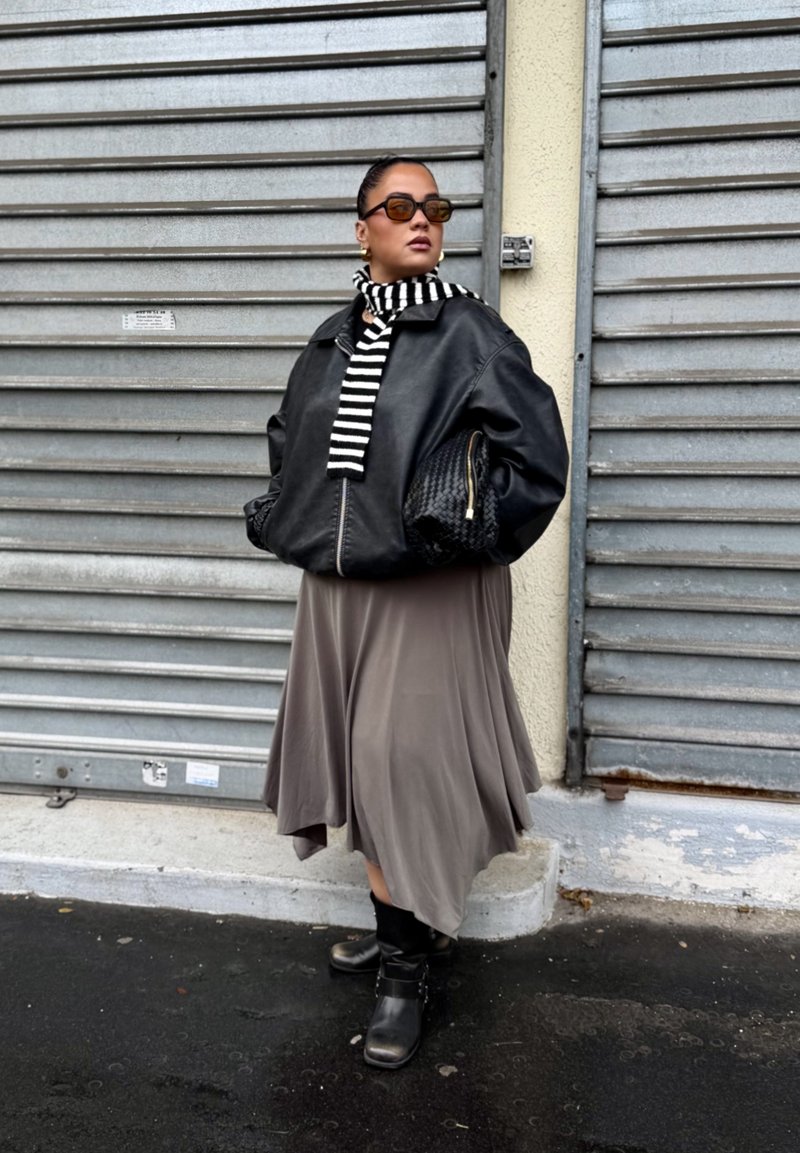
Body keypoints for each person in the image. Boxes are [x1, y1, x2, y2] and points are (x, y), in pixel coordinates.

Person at [244, 156, 568, 1070]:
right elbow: (290, 439)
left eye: (435, 206)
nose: (421, 219)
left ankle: (403, 972)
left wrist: (461, 533)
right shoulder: (331, 337)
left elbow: (537, 461)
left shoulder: (470, 332)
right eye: (399, 205)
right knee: (357, 752)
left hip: (429, 586)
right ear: (363, 229)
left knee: (397, 759)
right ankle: (406, 929)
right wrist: (282, 514)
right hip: (339, 588)